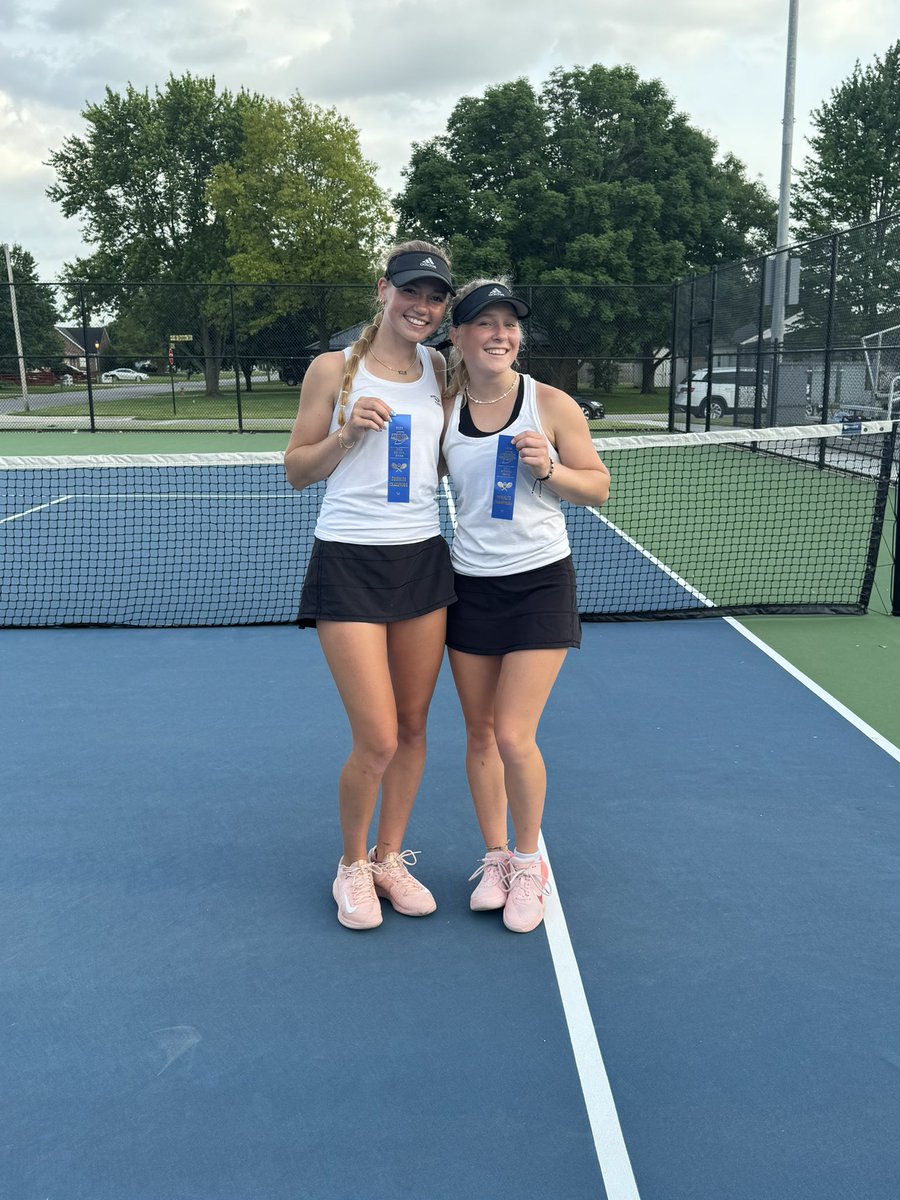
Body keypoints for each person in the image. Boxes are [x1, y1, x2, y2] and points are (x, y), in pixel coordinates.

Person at [284, 242, 456, 931]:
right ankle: (351, 866)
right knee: (379, 737)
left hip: (422, 561)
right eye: (411, 291)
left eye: (435, 297)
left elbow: (442, 462)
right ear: (383, 290)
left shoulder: (438, 366)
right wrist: (348, 435)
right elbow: (297, 470)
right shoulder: (332, 370)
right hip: (349, 563)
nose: (422, 307)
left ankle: (390, 858)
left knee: (414, 728)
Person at [441, 280, 610, 933]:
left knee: (513, 734)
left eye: (509, 324)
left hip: (541, 582)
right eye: (484, 323)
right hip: (469, 586)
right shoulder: (445, 409)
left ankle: (529, 861)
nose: (500, 334)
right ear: (457, 336)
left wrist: (551, 471)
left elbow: (596, 487)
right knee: (480, 733)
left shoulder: (552, 404)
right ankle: (494, 858)